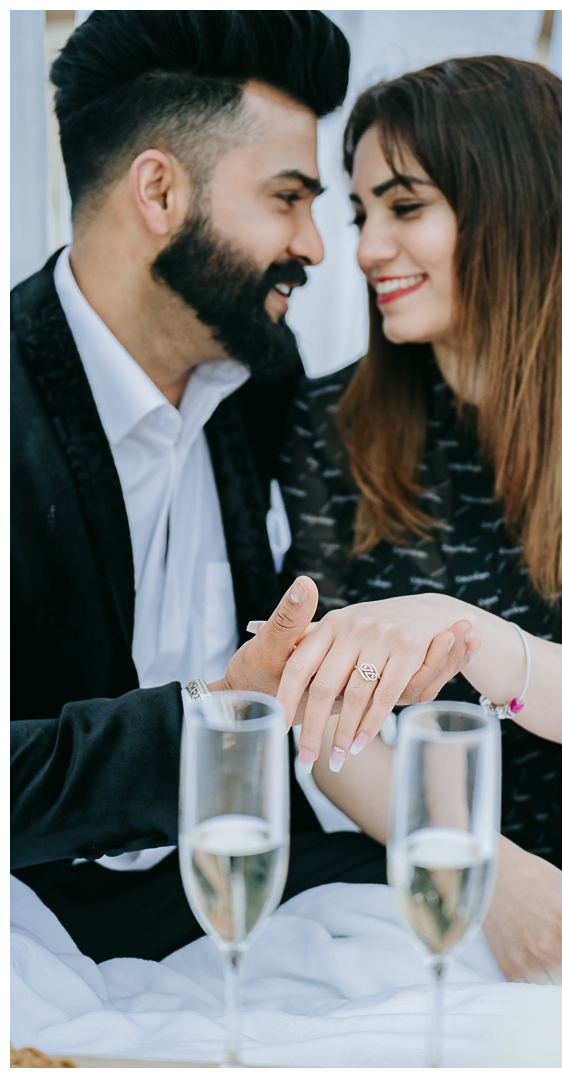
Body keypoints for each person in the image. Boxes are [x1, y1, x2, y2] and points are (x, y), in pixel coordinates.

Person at [10, 11, 472, 964]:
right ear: (159, 191)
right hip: (38, 928)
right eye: (289, 198)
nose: (317, 244)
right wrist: (214, 710)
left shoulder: (263, 379)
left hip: (253, 880)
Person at [276, 55, 562, 985]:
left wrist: (459, 631)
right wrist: (481, 867)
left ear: (521, 203)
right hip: (432, 880)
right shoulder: (326, 425)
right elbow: (331, 728)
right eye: (363, 215)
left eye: (404, 206)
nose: (363, 250)